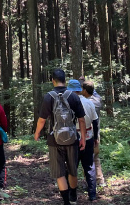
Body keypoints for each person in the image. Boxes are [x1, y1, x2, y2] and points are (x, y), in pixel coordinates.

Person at [34, 69, 87, 205]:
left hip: (54, 140)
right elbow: (81, 119)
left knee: (59, 172)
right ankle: (73, 196)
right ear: (65, 80)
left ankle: (65, 202)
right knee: (72, 170)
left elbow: (42, 120)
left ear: (53, 80)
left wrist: (37, 133)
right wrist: (82, 138)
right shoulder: (74, 96)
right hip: (72, 138)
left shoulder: (48, 97)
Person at [73, 79, 99, 201]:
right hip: (88, 136)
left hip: (74, 138)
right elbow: (95, 121)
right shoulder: (89, 103)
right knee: (89, 166)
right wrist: (96, 137)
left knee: (73, 166)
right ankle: (92, 194)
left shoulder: (69, 102)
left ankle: (72, 194)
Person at [79, 76, 106, 187]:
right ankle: (100, 181)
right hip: (96, 133)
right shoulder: (98, 99)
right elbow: (92, 92)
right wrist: (85, 83)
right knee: (95, 158)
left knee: (87, 160)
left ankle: (90, 182)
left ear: (84, 90)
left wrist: (81, 83)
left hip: (86, 134)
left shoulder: (85, 102)